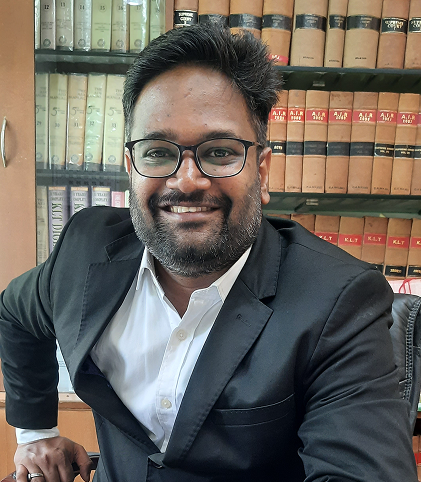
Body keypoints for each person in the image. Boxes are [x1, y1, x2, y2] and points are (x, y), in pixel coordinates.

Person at [0, 23, 418, 482]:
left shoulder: (338, 300)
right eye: (158, 152)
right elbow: (16, 315)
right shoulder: (84, 247)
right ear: (130, 168)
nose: (186, 181)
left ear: (262, 171)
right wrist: (35, 432)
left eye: (219, 152)